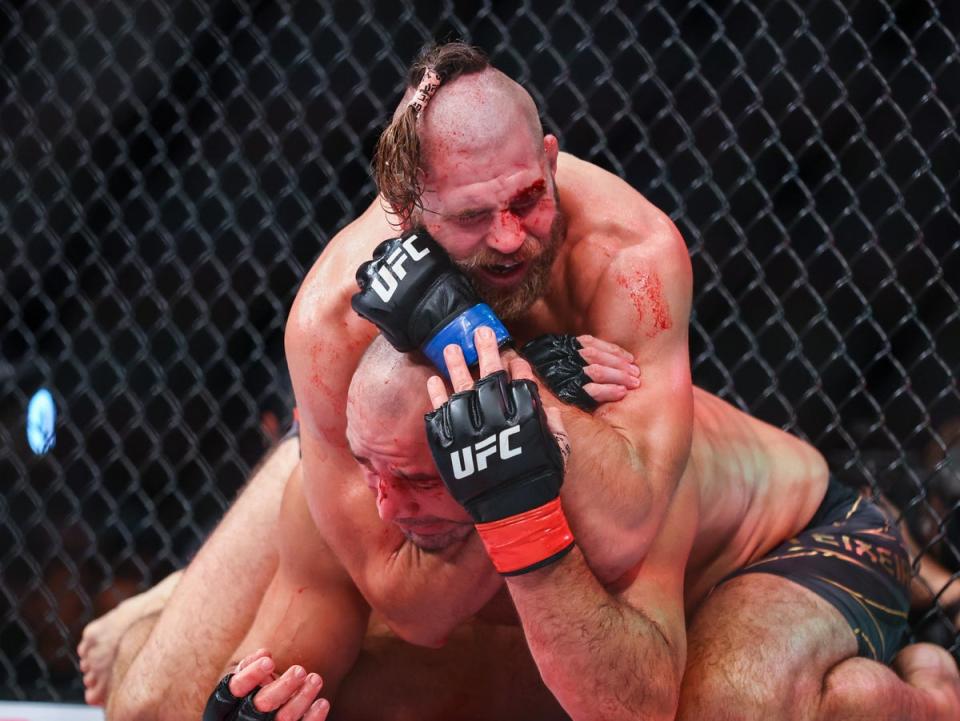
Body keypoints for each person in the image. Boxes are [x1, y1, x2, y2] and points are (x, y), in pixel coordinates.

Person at [96, 40, 959, 719]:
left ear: (550, 160)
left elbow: (624, 531)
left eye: (528, 201)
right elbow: (411, 599)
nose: (510, 238)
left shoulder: (627, 263)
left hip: (772, 536)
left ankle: (925, 680)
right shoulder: (333, 327)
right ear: (408, 213)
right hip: (470, 475)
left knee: (726, 704)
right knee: (181, 700)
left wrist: (509, 372)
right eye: (473, 217)